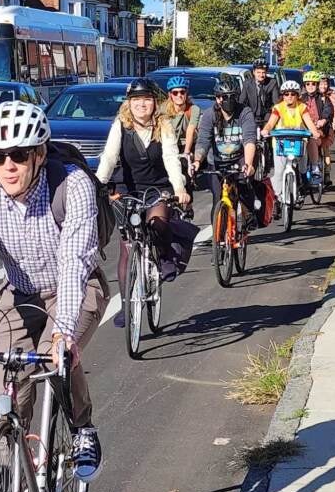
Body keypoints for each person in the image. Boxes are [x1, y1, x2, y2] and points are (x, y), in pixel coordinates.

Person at [0, 100, 107, 482]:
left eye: (18, 155)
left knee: (59, 359)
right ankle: (13, 457)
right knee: (9, 372)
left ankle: (82, 427)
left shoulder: (72, 185)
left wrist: (63, 331)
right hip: (18, 292)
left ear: (39, 153)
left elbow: (74, 261)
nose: (8, 166)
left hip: (76, 284)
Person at [96, 78, 190, 327]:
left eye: (147, 99)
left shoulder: (164, 124)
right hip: (127, 189)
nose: (142, 104)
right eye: (136, 100)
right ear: (129, 103)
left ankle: (163, 258)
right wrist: (98, 184)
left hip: (157, 188)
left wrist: (179, 187)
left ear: (154, 102)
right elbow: (108, 156)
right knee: (127, 247)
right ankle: (127, 306)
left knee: (158, 222)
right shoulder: (121, 125)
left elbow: (171, 157)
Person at [192, 80, 258, 224]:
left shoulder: (244, 112)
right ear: (217, 98)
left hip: (239, 158)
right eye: (224, 97)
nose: (228, 100)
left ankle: (248, 215)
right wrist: (197, 161)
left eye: (232, 96)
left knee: (244, 187)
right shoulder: (210, 115)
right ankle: (218, 234)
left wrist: (248, 164)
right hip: (216, 162)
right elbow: (203, 140)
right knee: (218, 197)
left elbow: (249, 140)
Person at [260, 80, 322, 204]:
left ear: (297, 95)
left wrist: (315, 132)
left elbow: (309, 122)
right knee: (278, 172)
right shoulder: (278, 108)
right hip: (281, 143)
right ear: (282, 95)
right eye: (286, 94)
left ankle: (304, 183)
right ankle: (277, 197)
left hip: (299, 141)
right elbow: (271, 122)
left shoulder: (302, 107)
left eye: (292, 94)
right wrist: (266, 130)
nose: (289, 97)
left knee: (303, 166)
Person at [164, 76, 201, 218]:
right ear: (170, 95)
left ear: (186, 94)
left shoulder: (193, 109)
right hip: (169, 145)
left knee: (187, 172)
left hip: (186, 145)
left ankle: (188, 204)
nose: (179, 95)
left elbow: (191, 129)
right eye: (175, 93)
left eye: (182, 92)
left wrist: (186, 153)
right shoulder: (164, 110)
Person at [239, 59, 281, 176]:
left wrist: (272, 112)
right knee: (249, 138)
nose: (261, 75)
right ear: (254, 72)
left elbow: (276, 102)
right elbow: (242, 101)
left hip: (266, 115)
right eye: (258, 72)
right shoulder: (248, 84)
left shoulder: (271, 82)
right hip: (251, 116)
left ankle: (269, 162)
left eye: (263, 72)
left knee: (267, 137)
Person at [302, 74, 335, 187]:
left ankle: (320, 170)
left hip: (320, 129)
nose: (311, 86)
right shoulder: (301, 98)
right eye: (308, 84)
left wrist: (323, 120)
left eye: (313, 84)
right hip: (303, 129)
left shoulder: (323, 98)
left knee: (320, 144)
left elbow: (329, 110)